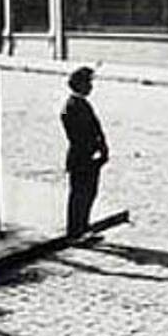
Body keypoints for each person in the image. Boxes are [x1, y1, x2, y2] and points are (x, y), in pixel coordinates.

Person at [60, 66, 108, 239]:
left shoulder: (81, 104)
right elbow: (80, 136)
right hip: (82, 158)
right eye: (88, 83)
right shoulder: (72, 107)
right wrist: (94, 151)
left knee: (89, 193)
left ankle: (83, 227)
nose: (90, 87)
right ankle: (75, 232)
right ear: (79, 85)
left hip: (88, 157)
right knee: (80, 195)